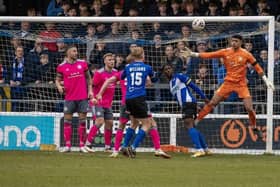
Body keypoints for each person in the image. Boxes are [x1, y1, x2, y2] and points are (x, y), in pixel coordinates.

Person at [180, 34, 275, 139]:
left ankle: (254, 126)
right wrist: (192, 54)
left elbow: (257, 67)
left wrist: (266, 80)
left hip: (241, 84)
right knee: (212, 103)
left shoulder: (246, 54)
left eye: (236, 41)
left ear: (240, 43)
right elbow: (210, 55)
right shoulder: (225, 51)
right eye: (232, 41)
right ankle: (196, 121)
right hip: (228, 83)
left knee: (249, 108)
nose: (233, 43)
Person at [95, 54, 170, 158]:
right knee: (150, 123)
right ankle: (155, 148)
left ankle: (117, 150)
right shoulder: (140, 70)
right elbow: (149, 82)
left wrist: (99, 94)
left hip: (125, 102)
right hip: (137, 100)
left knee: (127, 125)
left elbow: (109, 81)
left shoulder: (122, 72)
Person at [162, 63, 211, 157]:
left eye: (169, 68)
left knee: (189, 125)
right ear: (164, 72)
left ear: (172, 69)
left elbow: (193, 86)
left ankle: (199, 149)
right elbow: (178, 97)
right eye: (166, 69)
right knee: (192, 126)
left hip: (188, 102)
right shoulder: (170, 83)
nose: (168, 70)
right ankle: (205, 149)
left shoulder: (179, 76)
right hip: (187, 104)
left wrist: (204, 97)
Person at [55, 45, 93, 153]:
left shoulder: (82, 63)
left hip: (82, 97)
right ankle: (67, 146)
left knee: (82, 122)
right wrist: (58, 86)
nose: (76, 53)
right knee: (67, 122)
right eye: (74, 51)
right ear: (68, 53)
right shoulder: (61, 66)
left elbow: (89, 78)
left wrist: (90, 91)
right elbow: (57, 80)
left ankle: (82, 146)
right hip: (69, 97)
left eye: (76, 51)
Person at [120, 46, 155, 158]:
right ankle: (133, 147)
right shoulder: (147, 67)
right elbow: (151, 78)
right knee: (147, 124)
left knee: (134, 123)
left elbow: (122, 77)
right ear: (142, 55)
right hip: (139, 98)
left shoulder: (128, 67)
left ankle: (124, 146)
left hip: (128, 98)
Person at [84, 53, 118, 153]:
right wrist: (92, 98)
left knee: (110, 124)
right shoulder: (99, 73)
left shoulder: (116, 72)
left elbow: (114, 86)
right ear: (104, 61)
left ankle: (107, 147)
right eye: (109, 60)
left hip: (108, 103)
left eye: (113, 60)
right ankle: (88, 144)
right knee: (99, 121)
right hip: (97, 102)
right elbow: (91, 85)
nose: (112, 61)